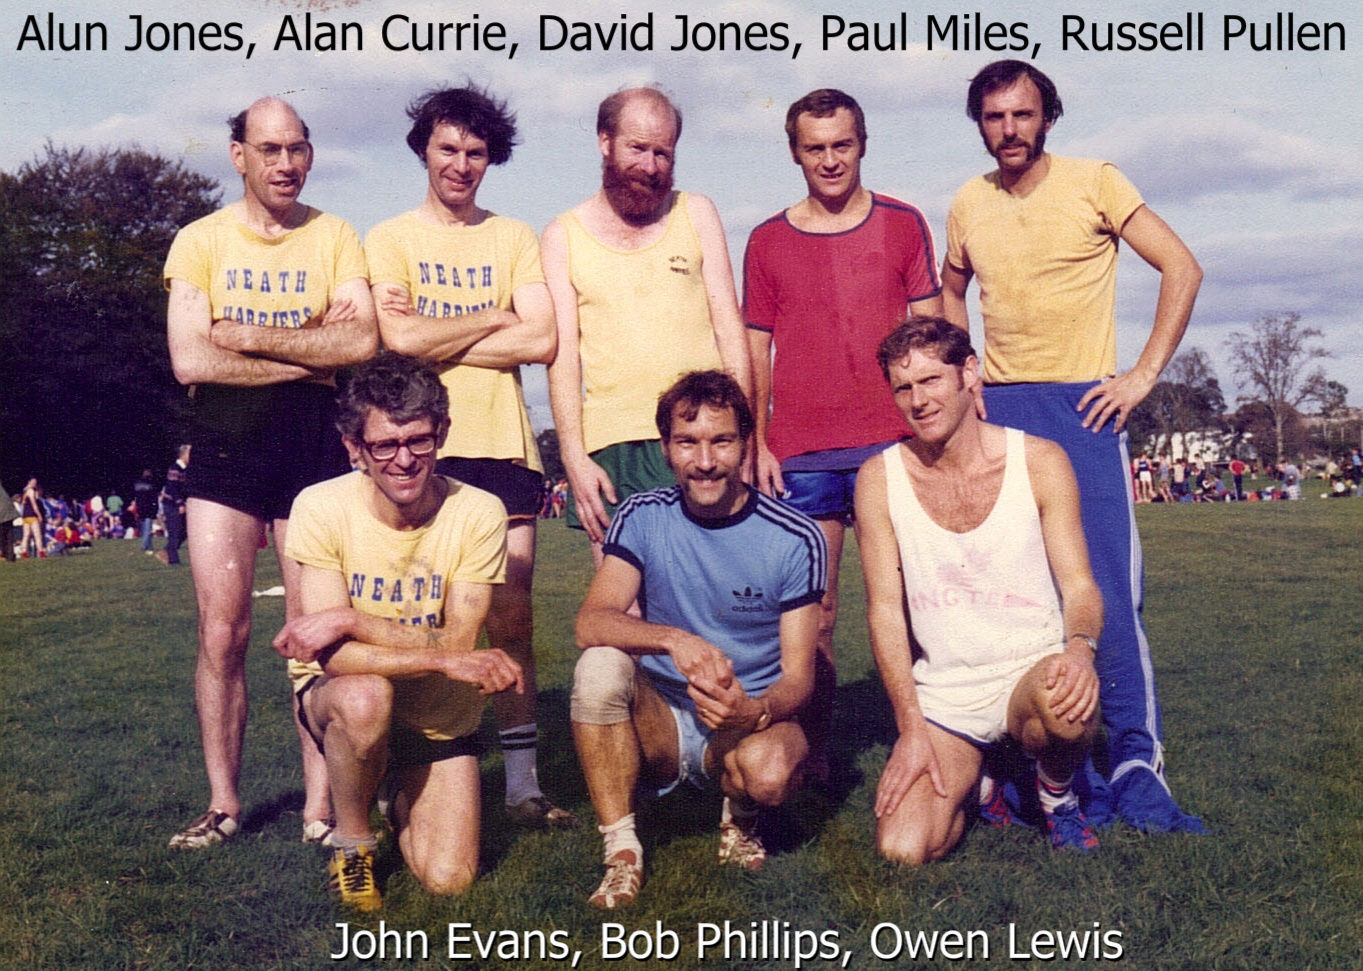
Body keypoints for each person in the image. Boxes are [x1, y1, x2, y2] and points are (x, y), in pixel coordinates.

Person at [941, 60, 1205, 833]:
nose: (1008, 131)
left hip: (1082, 406)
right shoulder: (967, 202)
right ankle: (1036, 766)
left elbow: (1182, 266)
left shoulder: (1096, 181)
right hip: (1002, 413)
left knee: (1104, 599)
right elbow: (946, 287)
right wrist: (967, 370)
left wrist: (1140, 377)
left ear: (1046, 117)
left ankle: (1133, 767)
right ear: (979, 125)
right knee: (1014, 596)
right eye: (993, 118)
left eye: (1022, 115)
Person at [163, 96, 378, 849]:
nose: (285, 163)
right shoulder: (199, 241)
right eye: (269, 149)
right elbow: (191, 359)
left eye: (297, 148)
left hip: (311, 455)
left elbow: (358, 343)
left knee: (309, 636)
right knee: (222, 634)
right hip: (223, 452)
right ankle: (223, 804)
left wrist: (245, 336)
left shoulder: (335, 235)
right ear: (239, 155)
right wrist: (306, 350)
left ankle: (320, 808)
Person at [365, 84, 574, 830]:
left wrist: (438, 328)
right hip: (421, 452)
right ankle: (410, 769)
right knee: (420, 619)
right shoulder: (388, 238)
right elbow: (399, 341)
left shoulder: (512, 237)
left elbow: (542, 339)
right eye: (448, 148)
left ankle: (522, 784)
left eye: (476, 153)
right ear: (424, 147)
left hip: (503, 448)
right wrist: (492, 314)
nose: (461, 164)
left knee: (509, 618)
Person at [272, 352, 523, 911]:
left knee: (449, 879)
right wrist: (431, 655)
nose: (404, 460)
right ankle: (354, 843)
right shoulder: (319, 506)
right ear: (355, 449)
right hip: (346, 699)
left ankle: (391, 787)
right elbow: (335, 658)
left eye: (420, 441)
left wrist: (354, 618)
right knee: (366, 696)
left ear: (443, 434)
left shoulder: (479, 511)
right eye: (384, 445)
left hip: (439, 717)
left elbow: (460, 641)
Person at [743, 88, 943, 780]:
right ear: (794, 152)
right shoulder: (767, 239)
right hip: (801, 452)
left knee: (917, 601)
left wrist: (941, 429)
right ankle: (815, 755)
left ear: (862, 143)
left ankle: (935, 743)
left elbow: (932, 335)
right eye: (813, 147)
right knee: (815, 617)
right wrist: (757, 441)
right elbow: (754, 350)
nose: (829, 160)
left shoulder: (903, 224)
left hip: (894, 444)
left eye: (841, 144)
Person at [570, 370, 825, 908]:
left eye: (721, 441)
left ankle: (743, 815)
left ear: (745, 444)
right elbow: (591, 621)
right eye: (687, 442)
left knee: (771, 773)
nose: (704, 461)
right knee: (598, 667)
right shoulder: (642, 516)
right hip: (660, 716)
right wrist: (672, 640)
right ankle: (621, 852)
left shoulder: (796, 536)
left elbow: (803, 675)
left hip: (744, 719)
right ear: (665, 448)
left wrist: (752, 712)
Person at [856, 318, 1103, 861]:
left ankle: (1055, 796)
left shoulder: (1039, 461)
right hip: (946, 694)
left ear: (969, 373)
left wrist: (1080, 651)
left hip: (1031, 674)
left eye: (931, 380)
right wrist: (910, 729)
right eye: (904, 387)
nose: (918, 401)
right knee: (903, 848)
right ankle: (983, 782)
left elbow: (1081, 586)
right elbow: (884, 614)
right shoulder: (879, 477)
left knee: (1068, 705)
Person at [543, 87, 751, 552]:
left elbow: (730, 330)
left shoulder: (696, 212)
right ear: (605, 142)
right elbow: (563, 361)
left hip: (701, 438)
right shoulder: (562, 235)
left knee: (709, 600)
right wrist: (574, 458)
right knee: (622, 612)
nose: (651, 166)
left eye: (663, 153)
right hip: (611, 450)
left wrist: (745, 436)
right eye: (637, 148)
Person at [155, 445, 190, 566]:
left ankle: (166, 551)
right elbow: (173, 488)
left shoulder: (185, 469)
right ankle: (174, 561)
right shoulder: (175, 469)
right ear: (184, 455)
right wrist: (180, 503)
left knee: (184, 531)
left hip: (179, 503)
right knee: (175, 532)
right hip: (171, 504)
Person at [134, 469, 159, 553]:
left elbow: (136, 499)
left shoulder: (137, 485)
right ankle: (144, 545)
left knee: (145, 528)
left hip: (141, 509)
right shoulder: (152, 485)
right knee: (148, 529)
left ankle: (150, 547)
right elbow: (154, 499)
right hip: (149, 509)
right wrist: (155, 509)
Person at [20, 478, 44, 559]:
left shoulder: (24, 491)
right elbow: (34, 505)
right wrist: (39, 515)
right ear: (29, 482)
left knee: (26, 535)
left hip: (25, 516)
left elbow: (23, 504)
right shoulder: (31, 491)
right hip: (32, 515)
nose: (34, 484)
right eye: (33, 482)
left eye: (35, 482)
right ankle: (41, 553)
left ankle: (24, 553)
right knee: (37, 534)